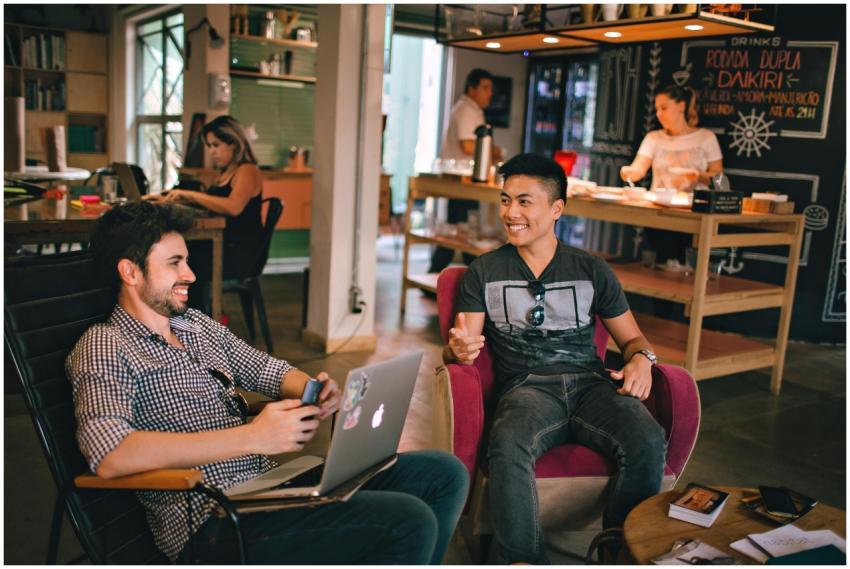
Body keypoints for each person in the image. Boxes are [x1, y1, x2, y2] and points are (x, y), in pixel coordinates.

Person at [66, 201, 469, 564]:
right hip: (212, 522)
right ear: (130, 271)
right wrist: (252, 438)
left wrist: (314, 391)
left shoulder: (195, 326)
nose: (190, 273)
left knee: (443, 473)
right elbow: (110, 454)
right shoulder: (105, 344)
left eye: (186, 260)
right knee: (407, 521)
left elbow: (268, 370)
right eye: (174, 263)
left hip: (268, 491)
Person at [443, 154, 666, 564]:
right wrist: (457, 350)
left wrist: (642, 360)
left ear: (557, 208)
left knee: (648, 439)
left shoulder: (591, 269)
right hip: (527, 388)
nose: (510, 213)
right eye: (505, 200)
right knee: (508, 442)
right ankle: (520, 559)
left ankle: (619, 554)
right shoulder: (484, 271)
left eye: (524, 202)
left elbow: (633, 338)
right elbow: (463, 342)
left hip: (591, 386)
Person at [147, 115, 264, 310]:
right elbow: (214, 204)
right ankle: (180, 317)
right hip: (224, 243)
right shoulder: (225, 172)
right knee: (174, 256)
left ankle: (193, 321)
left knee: (181, 262)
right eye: (209, 146)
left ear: (233, 144)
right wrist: (173, 198)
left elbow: (233, 207)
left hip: (239, 252)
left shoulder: (247, 170)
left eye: (216, 145)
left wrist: (190, 195)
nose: (212, 152)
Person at [428, 68, 499, 275]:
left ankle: (440, 276)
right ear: (472, 88)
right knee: (463, 232)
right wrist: (493, 150)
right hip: (463, 181)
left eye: (490, 89)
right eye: (485, 88)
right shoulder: (467, 110)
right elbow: (468, 146)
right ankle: (469, 278)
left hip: (466, 181)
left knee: (460, 231)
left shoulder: (471, 110)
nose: (489, 93)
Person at [620, 85, 723, 191]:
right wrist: (629, 172)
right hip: (658, 204)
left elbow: (720, 181)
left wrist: (698, 175)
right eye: (657, 109)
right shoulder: (653, 138)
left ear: (681, 106)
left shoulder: (706, 137)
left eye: (664, 108)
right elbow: (639, 169)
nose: (659, 114)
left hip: (695, 205)